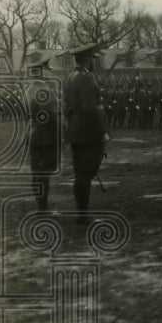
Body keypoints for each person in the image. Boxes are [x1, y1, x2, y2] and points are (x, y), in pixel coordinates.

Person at [63, 43, 109, 223]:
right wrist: (102, 132)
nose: (94, 62)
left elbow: (68, 108)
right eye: (92, 59)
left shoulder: (70, 77)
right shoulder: (84, 78)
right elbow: (90, 109)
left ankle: (82, 213)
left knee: (81, 173)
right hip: (88, 134)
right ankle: (83, 215)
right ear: (87, 59)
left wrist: (73, 125)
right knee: (85, 174)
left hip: (77, 131)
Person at [26, 54, 61, 212]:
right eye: (47, 71)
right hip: (45, 136)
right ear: (41, 72)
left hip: (32, 134)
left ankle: (40, 205)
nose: (49, 74)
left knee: (36, 171)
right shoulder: (43, 90)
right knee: (43, 174)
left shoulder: (28, 89)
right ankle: (43, 208)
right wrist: (58, 138)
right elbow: (50, 117)